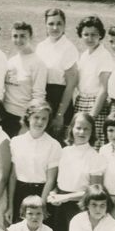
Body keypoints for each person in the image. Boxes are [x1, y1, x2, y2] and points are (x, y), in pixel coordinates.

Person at [47, 112, 104, 231]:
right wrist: (54, 193)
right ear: (71, 129)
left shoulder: (95, 157)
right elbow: (58, 181)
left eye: (86, 129)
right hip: (59, 204)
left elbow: (94, 192)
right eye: (78, 128)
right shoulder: (64, 151)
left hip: (80, 206)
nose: (82, 132)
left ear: (92, 132)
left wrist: (65, 198)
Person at [7, 100, 61, 225]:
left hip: (42, 193)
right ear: (28, 117)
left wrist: (41, 206)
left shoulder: (53, 145)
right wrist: (10, 205)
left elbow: (50, 180)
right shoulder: (16, 142)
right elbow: (13, 176)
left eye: (44, 118)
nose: (40, 122)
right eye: (36, 117)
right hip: (19, 193)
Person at [35, 8, 79, 140]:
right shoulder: (41, 46)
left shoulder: (68, 48)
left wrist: (60, 114)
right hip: (42, 96)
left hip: (60, 98)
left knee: (58, 141)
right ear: (45, 25)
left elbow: (71, 85)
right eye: (51, 23)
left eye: (59, 23)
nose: (55, 27)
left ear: (64, 25)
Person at [73, 15, 112, 148]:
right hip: (81, 102)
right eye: (86, 34)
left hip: (96, 105)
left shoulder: (104, 56)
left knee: (94, 143)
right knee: (79, 142)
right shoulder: (84, 55)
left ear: (100, 35)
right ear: (81, 35)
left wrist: (92, 116)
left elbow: (103, 89)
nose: (89, 38)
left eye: (94, 34)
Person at [2, 21, 47, 138]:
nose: (18, 40)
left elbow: (38, 96)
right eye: (15, 36)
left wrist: (27, 122)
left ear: (30, 37)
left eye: (23, 36)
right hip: (5, 115)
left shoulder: (38, 63)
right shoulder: (11, 61)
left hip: (22, 118)